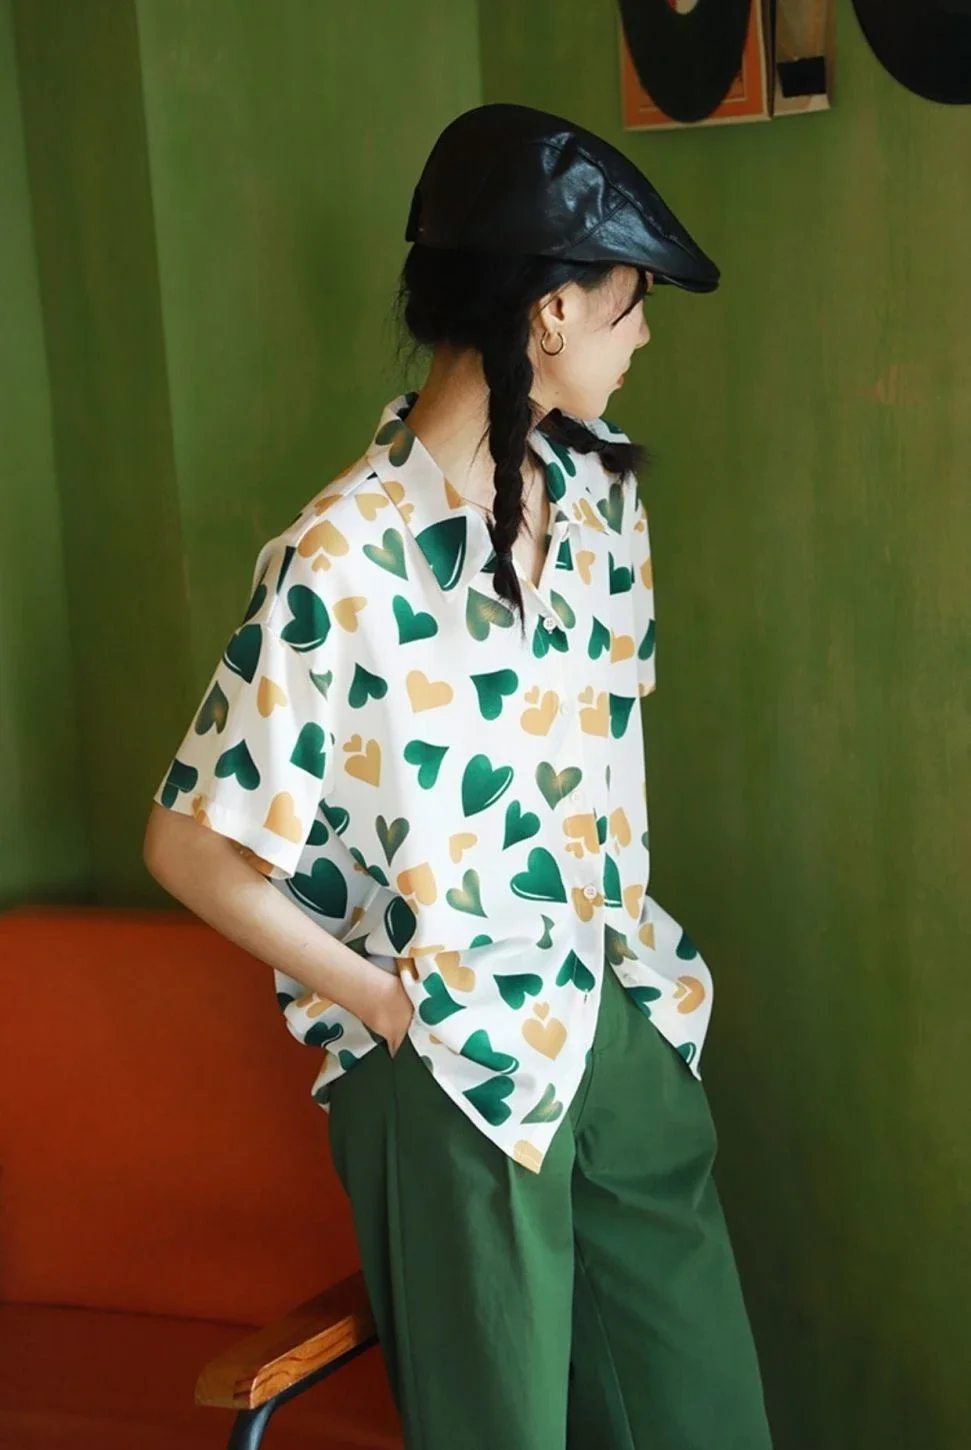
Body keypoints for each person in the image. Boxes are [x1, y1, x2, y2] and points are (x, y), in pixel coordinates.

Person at [144, 102, 773, 1450]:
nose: (642, 336)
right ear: (551, 311)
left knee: (706, 1414)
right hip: (444, 1064)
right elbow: (189, 843)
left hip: (611, 1016)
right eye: (629, 305)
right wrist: (380, 1001)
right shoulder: (340, 559)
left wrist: (634, 1007)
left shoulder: (602, 504)